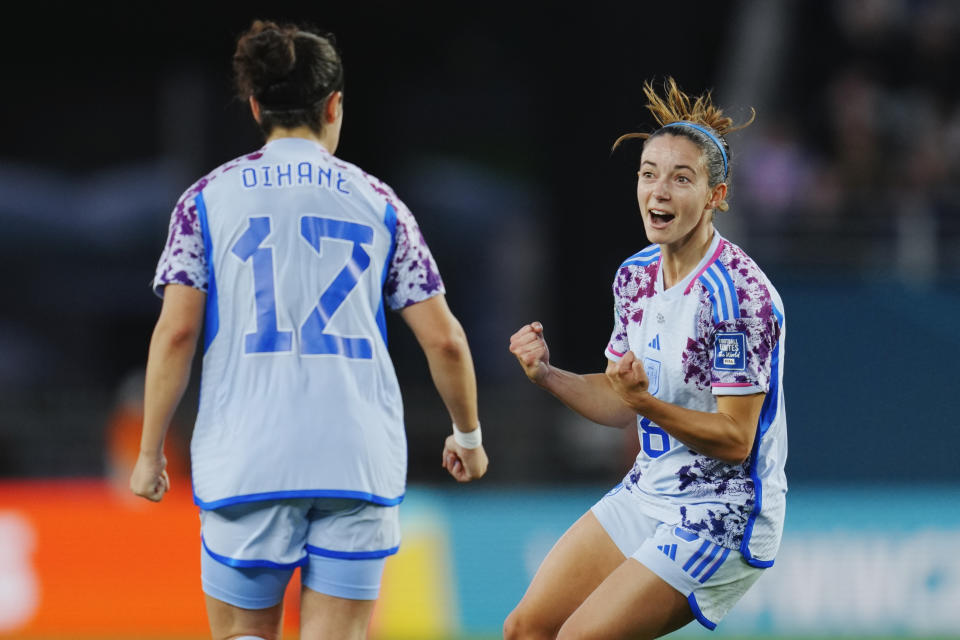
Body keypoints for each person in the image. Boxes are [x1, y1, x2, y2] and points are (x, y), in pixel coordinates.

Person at [129, 20, 488, 640]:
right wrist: (469, 434)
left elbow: (176, 336)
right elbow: (446, 340)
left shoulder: (205, 201)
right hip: (355, 459)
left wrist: (148, 451)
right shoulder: (380, 203)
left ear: (254, 106)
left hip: (247, 458)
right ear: (334, 106)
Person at [506, 78, 786, 639]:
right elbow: (620, 400)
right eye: (649, 173)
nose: (659, 190)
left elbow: (736, 438)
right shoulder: (635, 276)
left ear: (716, 196)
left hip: (720, 514)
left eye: (682, 178)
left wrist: (644, 403)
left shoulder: (736, 297)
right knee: (526, 629)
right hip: (647, 490)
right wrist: (548, 374)